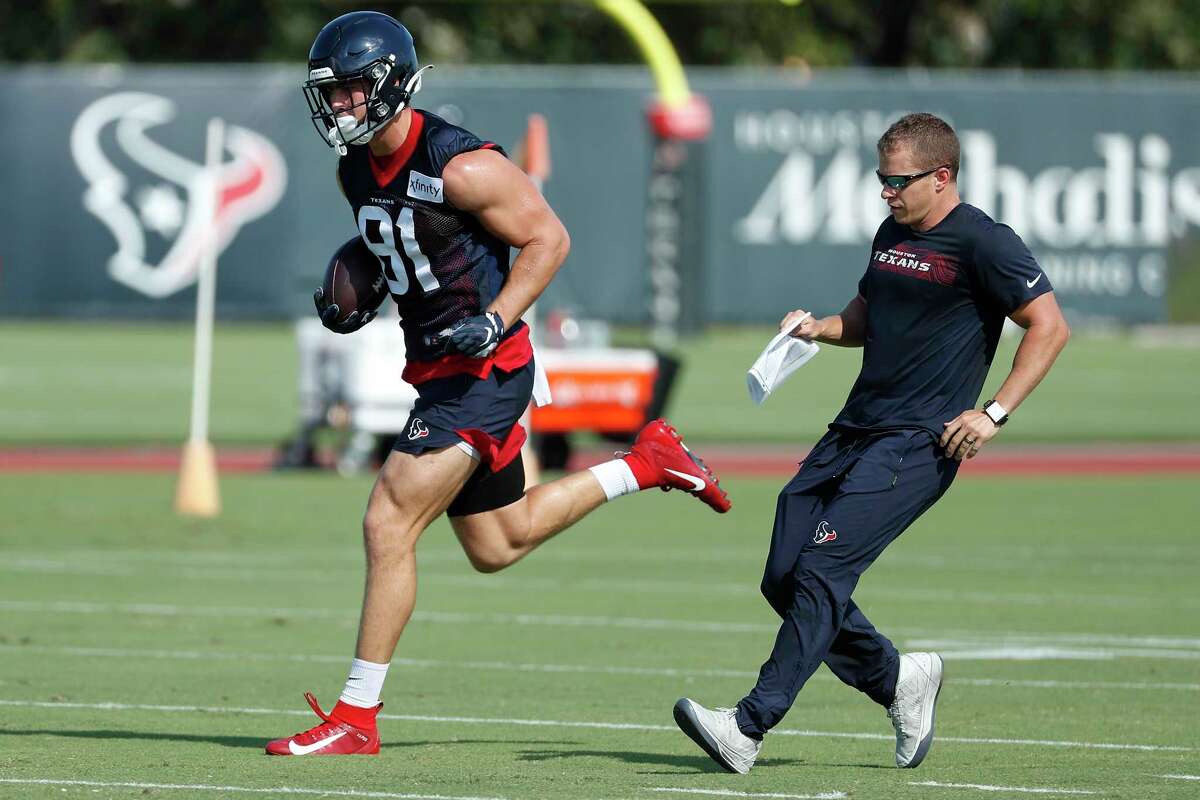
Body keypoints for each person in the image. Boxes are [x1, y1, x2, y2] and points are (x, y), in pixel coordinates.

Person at [267, 10, 731, 757]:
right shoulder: (355, 167)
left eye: (353, 90)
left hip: (486, 368)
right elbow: (410, 242)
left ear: (389, 85)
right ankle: (645, 462)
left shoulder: (462, 164)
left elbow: (549, 237)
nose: (342, 106)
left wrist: (497, 317)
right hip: (440, 369)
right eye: (335, 93)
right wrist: (364, 285)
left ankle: (356, 717)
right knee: (497, 541)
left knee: (388, 520)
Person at [673, 112, 1070, 773]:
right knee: (783, 576)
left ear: (942, 177)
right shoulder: (892, 231)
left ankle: (746, 727)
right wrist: (820, 328)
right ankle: (897, 681)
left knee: (823, 573)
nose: (885, 191)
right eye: (880, 178)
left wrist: (993, 414)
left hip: (918, 443)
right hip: (852, 427)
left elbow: (1049, 327)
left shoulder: (985, 243)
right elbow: (868, 313)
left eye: (897, 180)